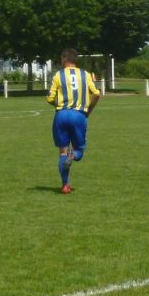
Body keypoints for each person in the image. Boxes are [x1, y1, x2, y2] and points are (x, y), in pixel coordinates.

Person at [45, 49, 103, 195]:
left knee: (62, 153)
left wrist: (60, 107)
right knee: (79, 151)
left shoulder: (58, 75)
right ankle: (74, 155)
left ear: (65, 59)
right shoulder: (86, 74)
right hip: (79, 115)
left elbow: (50, 98)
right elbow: (97, 94)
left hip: (61, 116)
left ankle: (65, 185)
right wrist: (88, 111)